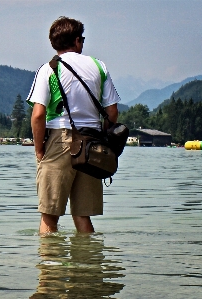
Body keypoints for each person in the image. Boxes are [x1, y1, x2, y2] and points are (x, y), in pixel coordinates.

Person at [26, 16, 120, 234]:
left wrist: (39, 149)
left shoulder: (49, 69)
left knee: (50, 216)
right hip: (92, 145)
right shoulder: (99, 66)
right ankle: (87, 267)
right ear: (77, 41)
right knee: (82, 215)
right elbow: (112, 112)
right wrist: (101, 137)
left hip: (60, 141)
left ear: (54, 43)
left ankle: (50, 266)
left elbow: (38, 115)